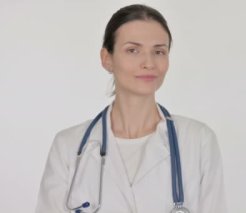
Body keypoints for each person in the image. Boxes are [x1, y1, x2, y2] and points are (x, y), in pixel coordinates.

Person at [35, 4, 227, 213]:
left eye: (159, 51)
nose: (149, 62)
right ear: (107, 58)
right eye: (133, 50)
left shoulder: (198, 141)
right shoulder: (68, 146)